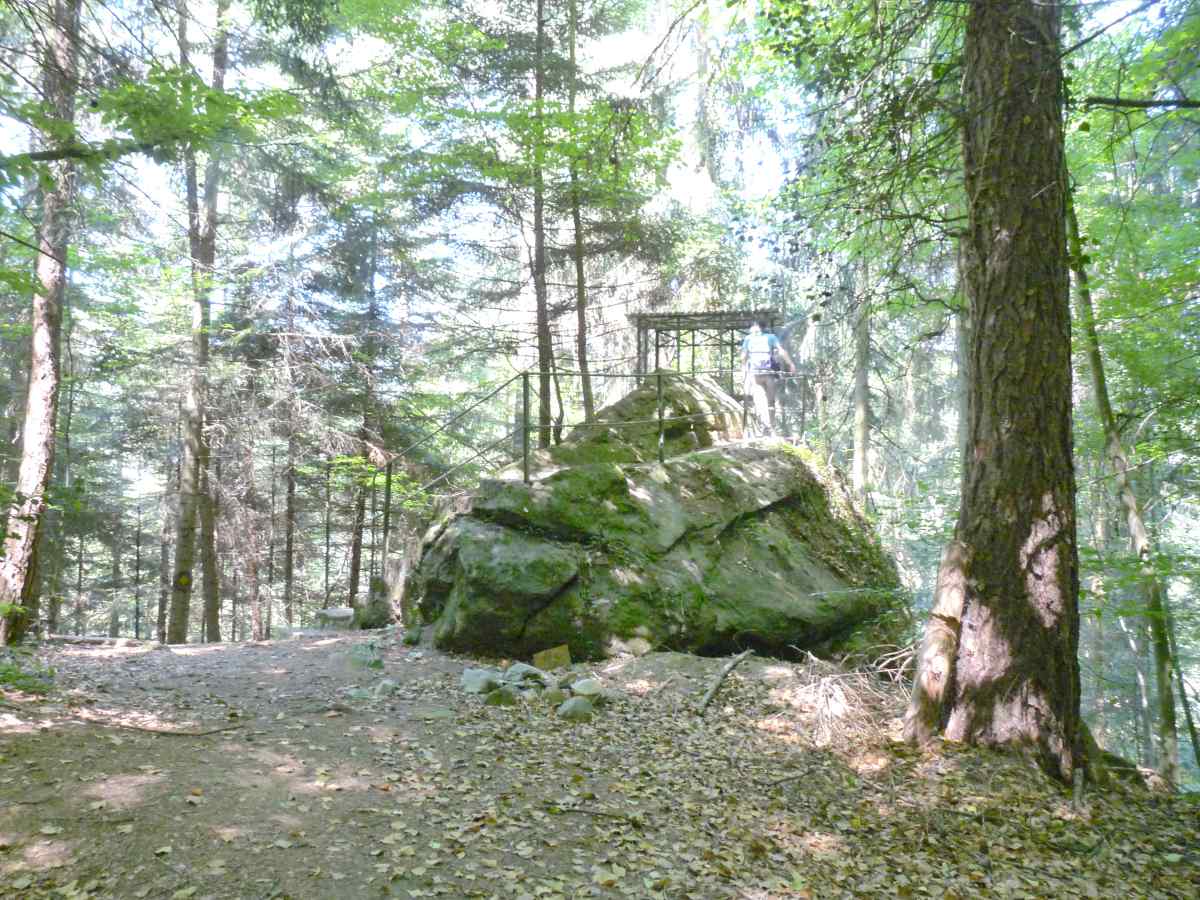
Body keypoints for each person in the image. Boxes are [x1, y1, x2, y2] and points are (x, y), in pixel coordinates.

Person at [740, 319, 795, 437]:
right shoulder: (771, 337)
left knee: (760, 402)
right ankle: (771, 428)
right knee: (770, 401)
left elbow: (744, 356)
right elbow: (781, 351)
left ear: (756, 326)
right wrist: (791, 364)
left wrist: (744, 371)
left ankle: (765, 428)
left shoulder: (748, 339)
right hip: (768, 374)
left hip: (755, 374)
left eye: (752, 326)